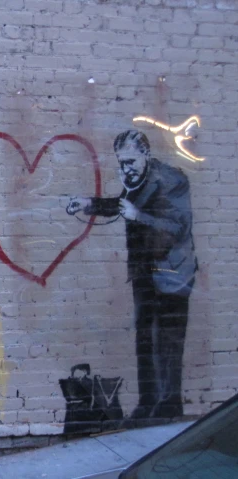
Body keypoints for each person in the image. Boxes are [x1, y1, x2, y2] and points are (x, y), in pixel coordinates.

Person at [67, 130, 197, 419]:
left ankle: (169, 405)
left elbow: (179, 228)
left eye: (130, 162)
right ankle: (148, 403)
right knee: (145, 340)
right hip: (145, 273)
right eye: (121, 163)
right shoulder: (138, 179)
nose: (125, 169)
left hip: (173, 275)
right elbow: (123, 205)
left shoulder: (172, 180)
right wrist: (90, 204)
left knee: (168, 343)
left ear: (146, 154)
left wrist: (139, 217)